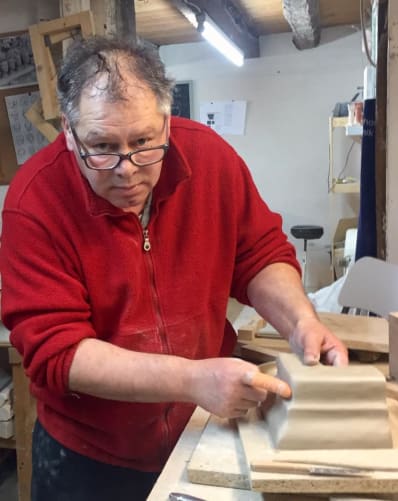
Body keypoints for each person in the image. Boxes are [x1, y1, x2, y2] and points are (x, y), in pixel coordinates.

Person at [0, 36, 348, 501]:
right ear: (68, 129)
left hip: (201, 432)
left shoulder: (211, 159)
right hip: (90, 456)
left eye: (144, 142)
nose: (127, 170)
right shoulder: (34, 202)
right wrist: (192, 378)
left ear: (166, 123)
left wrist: (301, 321)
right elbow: (57, 351)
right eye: (101, 146)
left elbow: (260, 254)